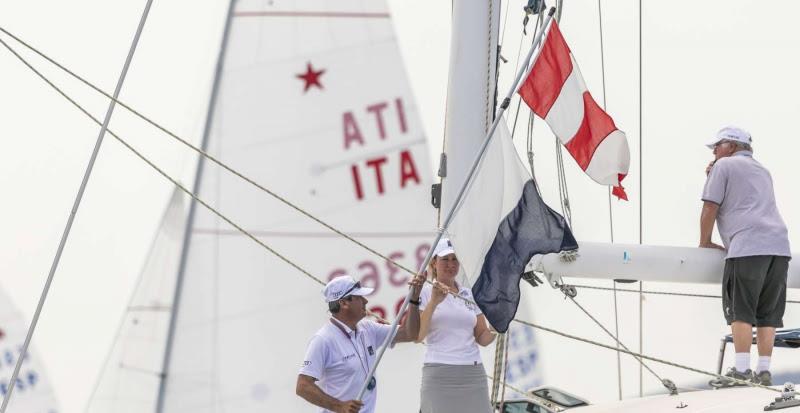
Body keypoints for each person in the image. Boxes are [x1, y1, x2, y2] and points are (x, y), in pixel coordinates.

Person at [700, 126, 791, 387]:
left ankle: (741, 371)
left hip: (748, 244)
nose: (715, 151)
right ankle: (763, 371)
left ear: (731, 146)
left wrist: (705, 241)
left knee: (740, 309)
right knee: (767, 312)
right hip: (778, 246)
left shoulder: (723, 167)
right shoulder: (763, 170)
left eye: (717, 146)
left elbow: (710, 205)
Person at [296, 274, 424, 413]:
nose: (366, 300)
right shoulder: (323, 339)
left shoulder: (368, 328)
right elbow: (302, 386)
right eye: (359, 297)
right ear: (344, 303)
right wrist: (339, 406)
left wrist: (414, 299)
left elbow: (410, 333)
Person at [417, 238, 496, 412]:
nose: (450, 264)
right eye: (445, 259)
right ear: (434, 263)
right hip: (439, 372)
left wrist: (497, 327)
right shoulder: (423, 292)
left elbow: (482, 337)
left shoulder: (469, 293)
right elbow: (419, 335)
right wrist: (434, 302)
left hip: (473, 372)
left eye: (454, 259)